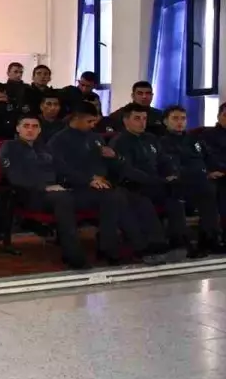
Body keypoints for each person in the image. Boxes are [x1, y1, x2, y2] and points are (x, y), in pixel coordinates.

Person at [48, 103, 172, 265]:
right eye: (89, 121)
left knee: (139, 199)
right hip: (75, 189)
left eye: (95, 122)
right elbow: (61, 168)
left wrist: (114, 158)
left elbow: (110, 164)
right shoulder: (58, 141)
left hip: (101, 186)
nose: (93, 125)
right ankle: (124, 247)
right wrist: (89, 179)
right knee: (115, 198)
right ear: (76, 119)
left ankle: (155, 243)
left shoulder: (95, 137)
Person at [0, 115, 88, 269]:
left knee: (104, 195)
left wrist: (90, 180)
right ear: (18, 129)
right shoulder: (9, 147)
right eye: (26, 126)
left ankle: (112, 248)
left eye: (34, 126)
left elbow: (64, 169)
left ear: (40, 130)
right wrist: (45, 187)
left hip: (55, 192)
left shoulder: (44, 148)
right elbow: (15, 177)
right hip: (30, 194)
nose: (30, 130)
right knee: (63, 199)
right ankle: (74, 256)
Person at [110, 103, 190, 256]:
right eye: (137, 118)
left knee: (175, 194)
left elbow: (164, 160)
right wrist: (155, 180)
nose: (142, 122)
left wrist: (171, 173)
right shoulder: (119, 142)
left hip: (156, 182)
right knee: (142, 199)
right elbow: (127, 170)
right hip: (133, 185)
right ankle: (155, 243)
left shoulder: (151, 138)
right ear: (126, 121)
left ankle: (178, 239)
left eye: (145, 119)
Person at [159, 106, 225, 254]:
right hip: (180, 182)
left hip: (201, 181)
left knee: (210, 190)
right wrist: (200, 174)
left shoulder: (194, 139)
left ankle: (210, 238)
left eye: (183, 118)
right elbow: (171, 165)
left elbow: (209, 158)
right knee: (183, 194)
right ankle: (182, 241)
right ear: (165, 121)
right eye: (175, 118)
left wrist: (213, 170)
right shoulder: (163, 142)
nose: (180, 122)